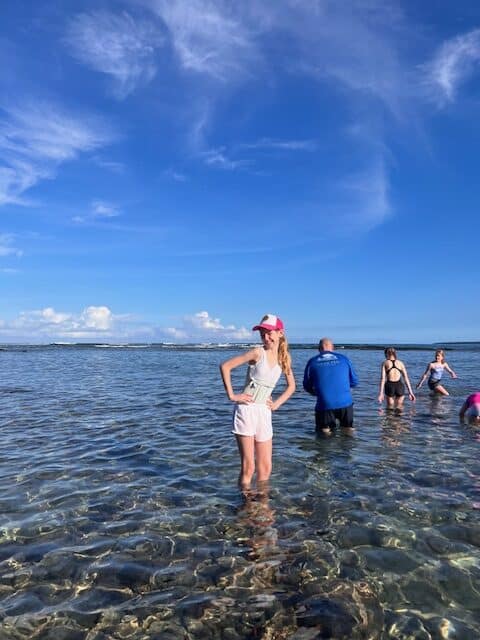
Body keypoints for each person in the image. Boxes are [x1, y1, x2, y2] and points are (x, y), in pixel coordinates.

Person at [220, 314, 295, 489]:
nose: (265, 337)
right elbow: (225, 366)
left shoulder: (284, 358)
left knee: (265, 467)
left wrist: (276, 404)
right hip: (246, 410)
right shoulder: (257, 352)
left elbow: (291, 386)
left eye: (269, 333)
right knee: (249, 467)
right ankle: (246, 507)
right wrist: (232, 395)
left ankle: (262, 504)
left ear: (280, 333)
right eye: (262, 334)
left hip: (264, 412)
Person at [303, 338, 359, 435]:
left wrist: (317, 393)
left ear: (319, 349)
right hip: (345, 402)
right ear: (333, 348)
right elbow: (354, 381)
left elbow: (307, 385)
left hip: (325, 404)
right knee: (348, 430)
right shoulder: (344, 359)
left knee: (325, 433)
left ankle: (326, 444)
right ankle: (348, 448)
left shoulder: (312, 362)